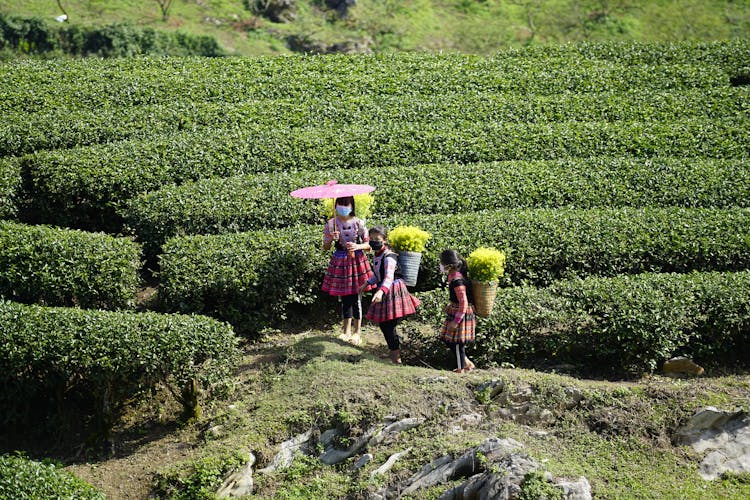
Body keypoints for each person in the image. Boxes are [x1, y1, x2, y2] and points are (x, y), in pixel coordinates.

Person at [359, 225, 421, 364]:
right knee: (385, 324)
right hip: (386, 289)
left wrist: (380, 292)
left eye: (377, 239)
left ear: (385, 240)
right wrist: (367, 283)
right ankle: (394, 353)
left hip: (392, 290)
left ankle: (396, 356)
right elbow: (377, 274)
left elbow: (388, 277)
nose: (374, 241)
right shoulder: (377, 255)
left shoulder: (389, 257)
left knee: (388, 324)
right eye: (372, 238)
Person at [322, 196, 375, 345]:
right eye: (340, 204)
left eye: (346, 204)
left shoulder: (359, 223)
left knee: (356, 296)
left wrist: (357, 246)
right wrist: (331, 239)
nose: (343, 207)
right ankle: (346, 331)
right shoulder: (331, 224)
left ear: (352, 206)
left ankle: (357, 332)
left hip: (356, 260)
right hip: (340, 261)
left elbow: (369, 245)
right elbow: (325, 247)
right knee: (344, 297)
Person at [438, 249, 477, 373]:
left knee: (457, 343)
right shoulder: (454, 276)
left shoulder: (457, 281)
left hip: (461, 313)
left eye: (442, 263)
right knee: (447, 339)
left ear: (449, 265)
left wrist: (456, 321)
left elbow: (463, 302)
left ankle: (461, 368)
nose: (441, 265)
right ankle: (466, 363)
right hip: (456, 310)